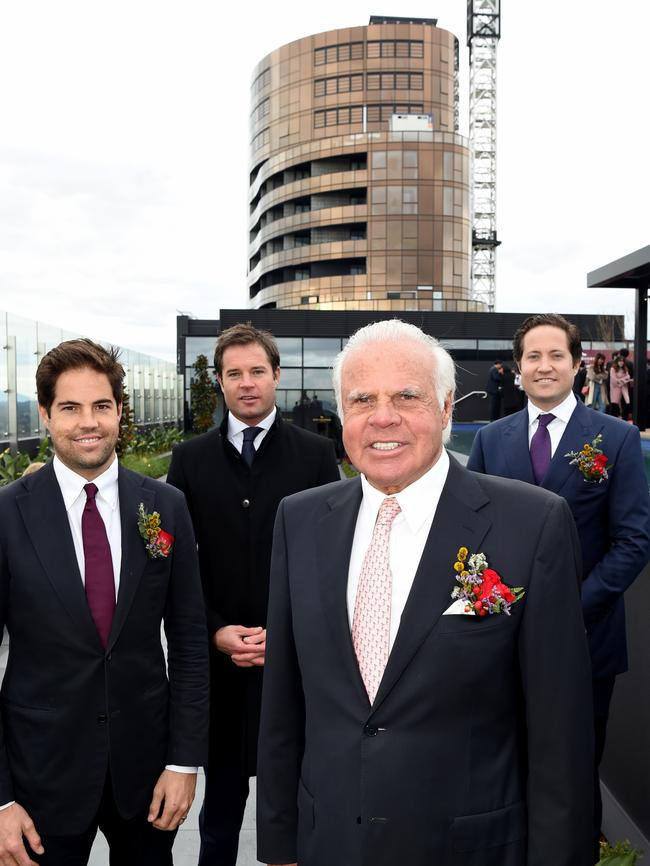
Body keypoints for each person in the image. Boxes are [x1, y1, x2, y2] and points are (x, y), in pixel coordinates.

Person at [257, 319, 594, 866]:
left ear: (446, 408)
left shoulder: (531, 524)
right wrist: (278, 842)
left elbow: (561, 732)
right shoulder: (299, 521)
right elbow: (283, 702)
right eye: (362, 399)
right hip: (331, 843)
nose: (382, 417)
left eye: (406, 396)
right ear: (342, 415)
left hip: (470, 849)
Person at [0, 338, 209, 866]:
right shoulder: (6, 515)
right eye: (70, 407)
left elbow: (188, 644)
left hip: (146, 779)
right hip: (37, 779)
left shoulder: (166, 505)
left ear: (120, 411)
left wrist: (184, 764)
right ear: (45, 414)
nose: (87, 422)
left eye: (101, 406)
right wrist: (0, 797)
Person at [467, 313, 650, 859]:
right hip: (501, 645)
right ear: (518, 367)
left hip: (586, 642)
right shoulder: (491, 441)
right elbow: (473, 535)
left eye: (556, 356)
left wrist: (570, 609)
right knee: (506, 768)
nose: (544, 366)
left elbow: (634, 540)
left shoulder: (615, 439)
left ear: (576, 364)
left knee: (575, 770)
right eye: (533, 357)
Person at [166, 324, 339, 866]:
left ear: (276, 376)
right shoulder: (189, 460)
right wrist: (215, 629)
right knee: (218, 818)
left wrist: (281, 632)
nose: (246, 384)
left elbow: (330, 560)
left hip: (293, 667)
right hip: (217, 672)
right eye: (234, 374)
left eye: (256, 371)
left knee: (297, 816)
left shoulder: (315, 455)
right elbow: (176, 567)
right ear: (219, 382)